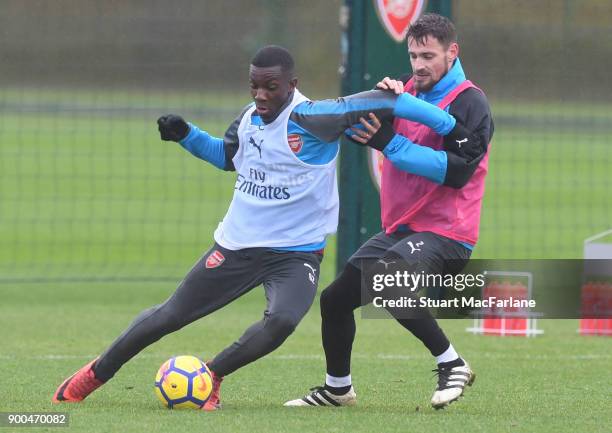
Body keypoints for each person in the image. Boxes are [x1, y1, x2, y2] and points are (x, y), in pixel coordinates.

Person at [51, 44, 473, 410]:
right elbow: (226, 157)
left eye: (270, 87)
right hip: (236, 248)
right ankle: (93, 376)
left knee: (283, 321)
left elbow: (392, 103)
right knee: (169, 315)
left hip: (295, 255)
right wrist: (186, 135)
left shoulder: (316, 118)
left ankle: (209, 378)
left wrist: (449, 126)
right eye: (254, 85)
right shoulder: (249, 117)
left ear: (292, 84)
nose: (260, 94)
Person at [285, 13, 494, 409]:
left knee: (388, 279)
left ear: (453, 53)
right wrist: (358, 116)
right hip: (402, 230)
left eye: (428, 55)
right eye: (414, 54)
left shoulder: (471, 101)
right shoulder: (404, 91)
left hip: (448, 234)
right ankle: (338, 389)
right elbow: (358, 128)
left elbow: (457, 172)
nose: (418, 64)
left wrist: (388, 142)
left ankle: (452, 362)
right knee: (334, 300)